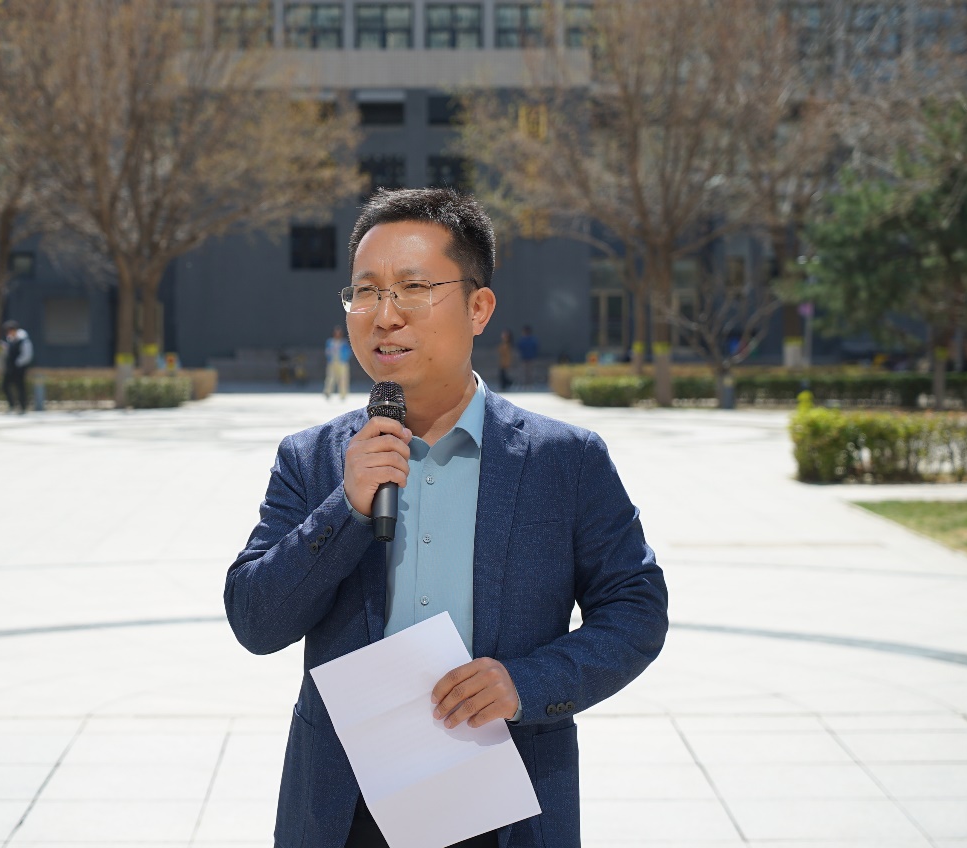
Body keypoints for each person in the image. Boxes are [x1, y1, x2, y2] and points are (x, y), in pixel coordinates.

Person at [224, 188, 668, 848]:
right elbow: (255, 621)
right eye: (365, 292)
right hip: (345, 810)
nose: (385, 316)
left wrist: (525, 683)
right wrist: (345, 507)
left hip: (508, 804)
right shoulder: (312, 459)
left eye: (413, 288)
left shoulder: (564, 461)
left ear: (478, 307)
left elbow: (635, 609)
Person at [2, 319, 34, 413]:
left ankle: (23, 407)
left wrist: (18, 363)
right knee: (5, 385)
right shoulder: (10, 339)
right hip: (10, 367)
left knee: (20, 387)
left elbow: (27, 355)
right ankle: (12, 405)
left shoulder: (23, 340)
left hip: (20, 368)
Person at [324, 326, 352, 400]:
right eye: (336, 333)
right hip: (333, 362)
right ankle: (327, 392)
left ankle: (343, 394)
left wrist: (344, 358)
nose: (337, 334)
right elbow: (327, 351)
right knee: (330, 378)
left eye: (339, 333)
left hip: (342, 362)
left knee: (343, 378)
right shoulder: (330, 342)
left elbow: (348, 352)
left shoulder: (344, 342)